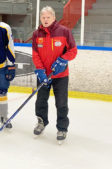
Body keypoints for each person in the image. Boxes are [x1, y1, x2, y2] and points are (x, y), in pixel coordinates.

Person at [32, 6, 77, 142]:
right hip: (43, 75)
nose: (45, 20)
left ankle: (62, 128)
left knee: (61, 103)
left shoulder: (64, 32)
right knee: (40, 101)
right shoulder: (36, 34)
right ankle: (41, 122)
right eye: (43, 17)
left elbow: (73, 50)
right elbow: (35, 54)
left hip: (61, 76)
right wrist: (40, 70)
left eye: (48, 17)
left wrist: (63, 60)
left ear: (54, 17)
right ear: (40, 18)